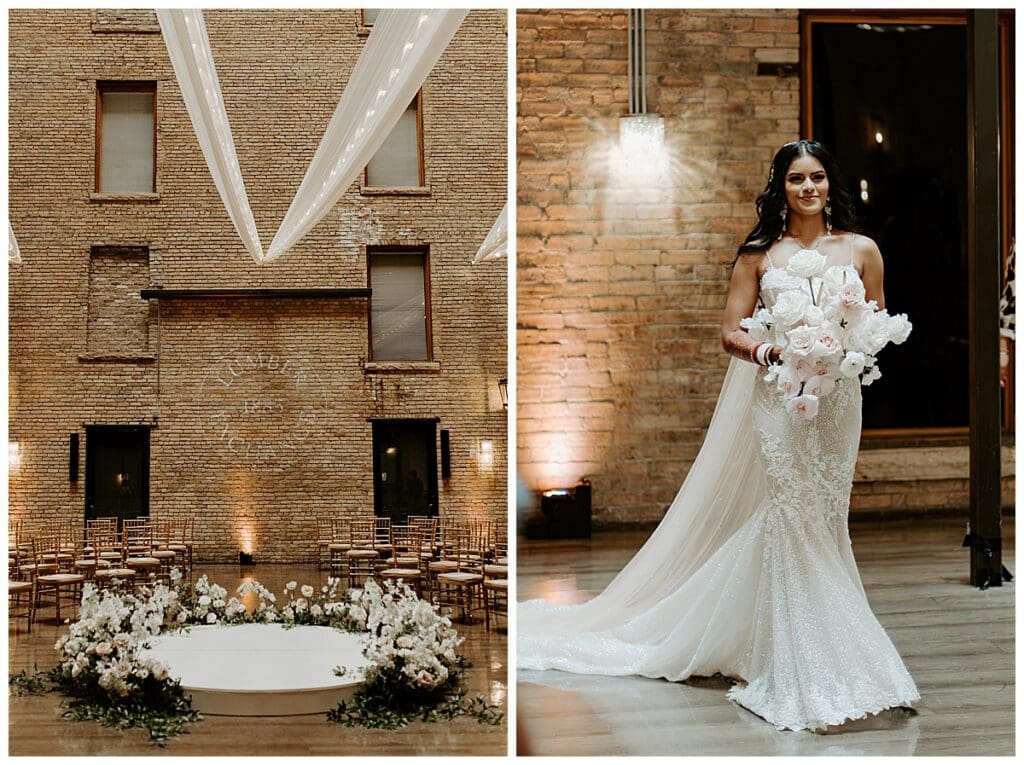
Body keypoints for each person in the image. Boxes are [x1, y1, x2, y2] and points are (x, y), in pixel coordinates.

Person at [518, 140, 919, 732]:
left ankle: (791, 636)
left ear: (831, 183)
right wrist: (775, 350)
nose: (808, 188)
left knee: (827, 515)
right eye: (795, 179)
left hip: (837, 401)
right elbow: (730, 331)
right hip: (779, 398)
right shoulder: (760, 255)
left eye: (817, 178)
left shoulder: (862, 250)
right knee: (792, 512)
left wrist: (847, 349)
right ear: (780, 188)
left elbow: (878, 321)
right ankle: (806, 657)